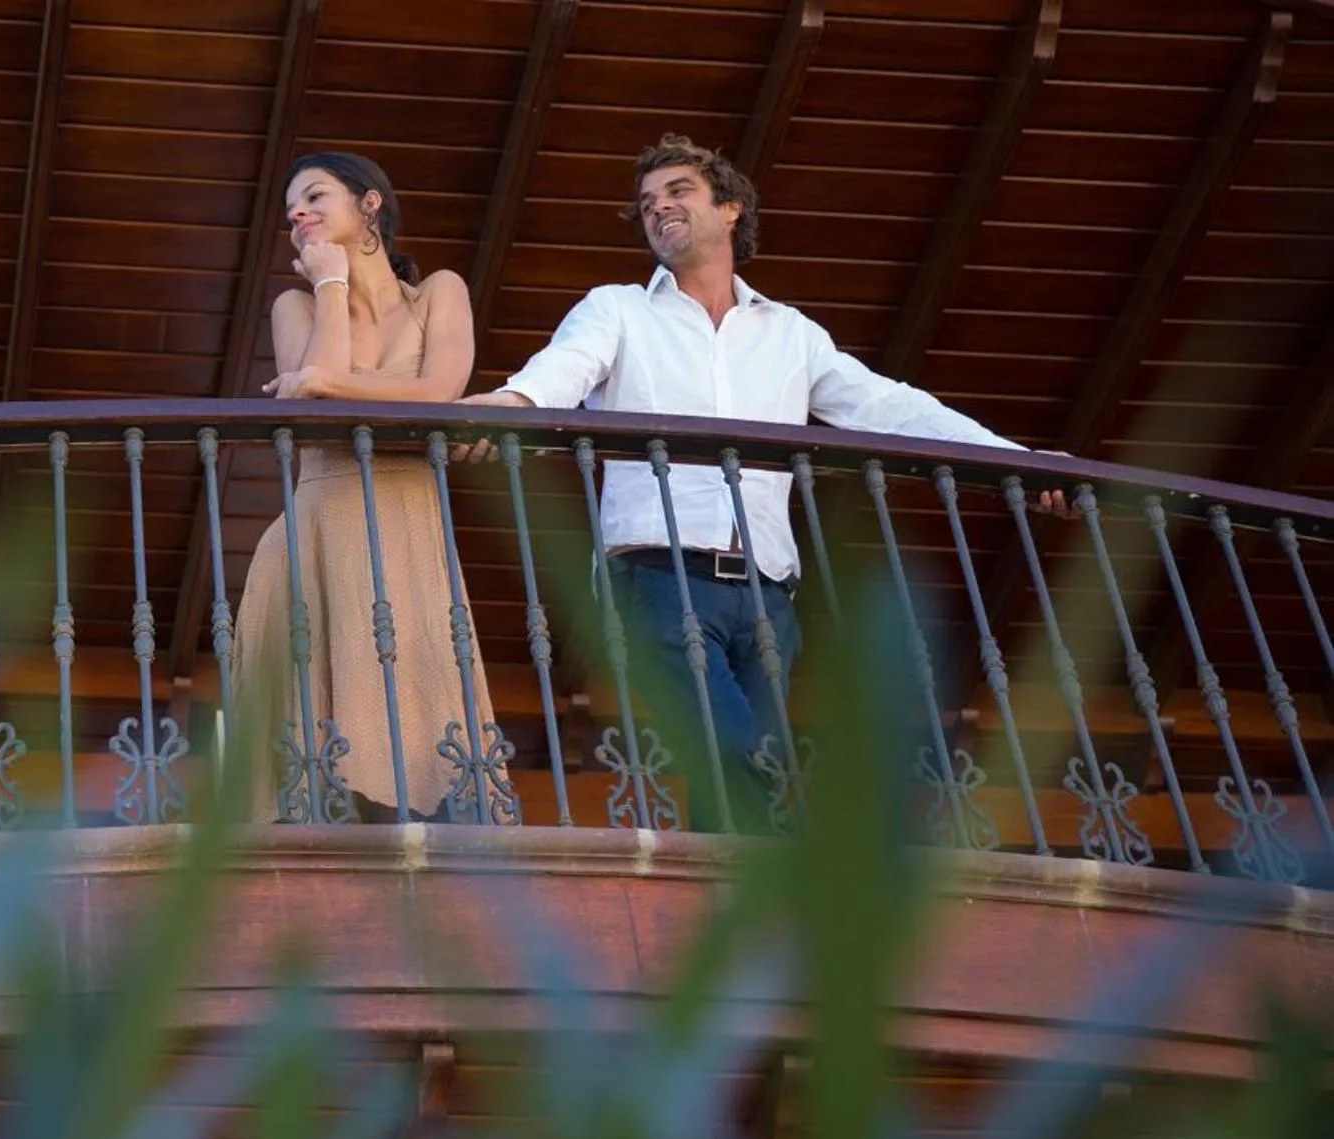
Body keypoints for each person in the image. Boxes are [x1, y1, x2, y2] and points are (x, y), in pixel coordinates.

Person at [462, 133, 1060, 788]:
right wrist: (510, 400)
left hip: (767, 592)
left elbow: (891, 408)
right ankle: (808, 860)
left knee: (732, 784)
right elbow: (564, 369)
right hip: (658, 576)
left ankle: (742, 882)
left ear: (729, 208)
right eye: (646, 202)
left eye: (677, 191)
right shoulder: (617, 309)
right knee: (749, 760)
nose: (658, 208)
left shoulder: (789, 333)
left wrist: (1014, 460)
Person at [232, 152, 500, 822]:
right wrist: (328, 284)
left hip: (408, 524)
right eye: (291, 207)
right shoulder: (294, 302)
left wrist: (329, 383)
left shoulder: (439, 291)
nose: (296, 214)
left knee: (418, 731)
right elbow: (311, 409)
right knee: (318, 758)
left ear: (371, 203)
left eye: (315, 196)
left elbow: (440, 393)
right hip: (318, 529)